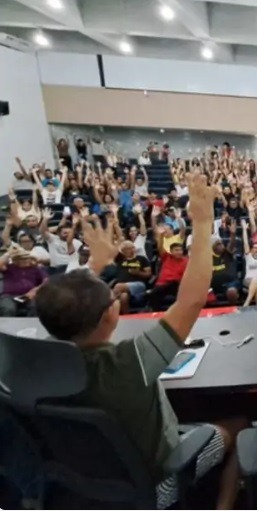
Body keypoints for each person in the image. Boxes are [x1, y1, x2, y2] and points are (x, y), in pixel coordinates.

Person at [34, 173, 243, 509]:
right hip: (154, 488)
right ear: (111, 316)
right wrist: (203, 223)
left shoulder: (39, 360)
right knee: (240, 424)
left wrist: (94, 266)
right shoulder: (133, 361)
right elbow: (190, 301)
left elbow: (58, 306)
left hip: (83, 483)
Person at [0, 247, 47, 317]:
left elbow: (46, 280)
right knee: (8, 308)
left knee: (35, 307)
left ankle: (32, 327)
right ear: (16, 260)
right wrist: (9, 253)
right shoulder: (10, 267)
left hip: (29, 296)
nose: (24, 260)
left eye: (26, 258)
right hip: (9, 296)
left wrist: (36, 290)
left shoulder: (35, 269)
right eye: (21, 258)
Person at [112, 240, 152, 314]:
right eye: (127, 248)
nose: (130, 250)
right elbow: (113, 251)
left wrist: (138, 273)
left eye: (131, 247)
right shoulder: (120, 260)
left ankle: (106, 309)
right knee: (124, 297)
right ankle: (126, 317)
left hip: (138, 284)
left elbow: (149, 274)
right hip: (123, 287)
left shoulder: (141, 259)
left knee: (118, 286)